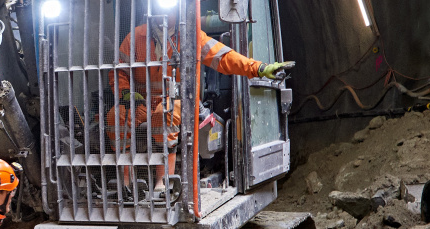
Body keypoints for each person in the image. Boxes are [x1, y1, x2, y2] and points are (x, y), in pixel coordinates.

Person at [103, 19, 294, 195]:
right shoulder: (135, 37)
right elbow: (119, 71)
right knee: (116, 116)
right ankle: (125, 184)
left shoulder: (191, 37)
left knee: (164, 114)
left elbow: (224, 57)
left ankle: (162, 183)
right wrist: (125, 93)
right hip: (143, 102)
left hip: (178, 101)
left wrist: (258, 68)